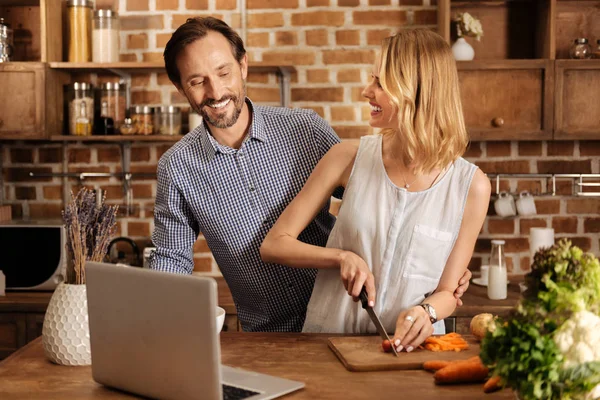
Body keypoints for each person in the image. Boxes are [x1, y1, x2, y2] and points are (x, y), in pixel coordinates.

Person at [150, 17, 472, 332]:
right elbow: (171, 263)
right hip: (266, 337)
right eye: (197, 81)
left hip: (343, 321)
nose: (216, 90)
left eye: (224, 72)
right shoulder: (177, 168)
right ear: (180, 87)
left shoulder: (306, 130)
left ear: (243, 66)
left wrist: (438, 261)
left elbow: (380, 205)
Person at [260, 28, 491, 352]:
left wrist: (427, 312)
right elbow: (274, 244)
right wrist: (340, 257)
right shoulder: (347, 157)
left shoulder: (471, 186)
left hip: (409, 353)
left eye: (381, 83)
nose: (366, 91)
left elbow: (448, 293)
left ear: (417, 91)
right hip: (328, 344)